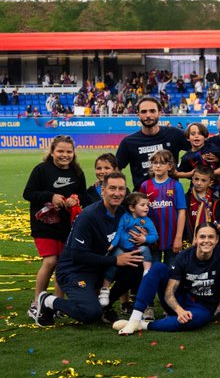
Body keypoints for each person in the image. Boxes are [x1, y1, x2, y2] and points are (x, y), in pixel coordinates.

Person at [32, 172, 145, 327]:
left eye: (121, 189)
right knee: (90, 313)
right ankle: (48, 301)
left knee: (137, 265)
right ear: (103, 191)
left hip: (98, 267)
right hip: (74, 270)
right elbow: (78, 255)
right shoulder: (89, 216)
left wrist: (141, 237)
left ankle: (105, 306)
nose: (117, 193)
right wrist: (115, 260)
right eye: (112, 188)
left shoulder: (122, 213)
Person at [114, 223, 220, 335]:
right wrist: (179, 310)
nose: (206, 240)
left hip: (203, 307)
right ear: (196, 239)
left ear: (217, 240)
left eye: (211, 237)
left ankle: (142, 324)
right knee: (158, 267)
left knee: (192, 320)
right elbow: (169, 292)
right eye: (202, 237)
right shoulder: (184, 256)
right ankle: (135, 318)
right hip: (180, 299)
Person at [23, 135, 87, 321]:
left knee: (62, 263)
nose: (64, 155)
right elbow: (28, 193)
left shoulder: (77, 172)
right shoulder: (41, 170)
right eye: (60, 151)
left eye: (69, 151)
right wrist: (50, 197)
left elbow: (83, 195)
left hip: (67, 225)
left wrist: (76, 199)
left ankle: (58, 303)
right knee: (50, 261)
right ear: (52, 152)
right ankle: (37, 302)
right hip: (44, 224)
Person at [116, 95, 188, 189]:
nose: (148, 115)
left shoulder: (174, 134)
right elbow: (115, 170)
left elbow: (199, 148)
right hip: (142, 200)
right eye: (144, 111)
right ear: (138, 115)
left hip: (170, 197)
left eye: (152, 111)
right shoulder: (128, 142)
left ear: (160, 113)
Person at [100, 191, 157, 304]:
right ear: (131, 208)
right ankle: (105, 289)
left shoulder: (147, 221)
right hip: (122, 247)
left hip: (136, 248)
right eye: (142, 205)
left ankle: (146, 273)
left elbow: (155, 235)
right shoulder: (125, 218)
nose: (146, 208)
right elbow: (119, 232)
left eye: (147, 205)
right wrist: (113, 244)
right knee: (114, 260)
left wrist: (144, 240)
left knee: (145, 250)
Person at [139, 150, 186, 260]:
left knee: (171, 271)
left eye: (162, 163)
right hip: (152, 237)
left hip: (172, 236)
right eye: (155, 163)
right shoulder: (145, 186)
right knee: (154, 270)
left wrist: (179, 237)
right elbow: (140, 213)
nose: (158, 166)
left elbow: (181, 212)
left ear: (169, 166)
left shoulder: (176, 185)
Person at [183, 164, 220, 248]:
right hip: (190, 239)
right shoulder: (186, 198)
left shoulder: (215, 200)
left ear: (211, 182)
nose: (199, 183)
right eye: (196, 179)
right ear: (192, 179)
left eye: (203, 180)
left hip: (209, 240)